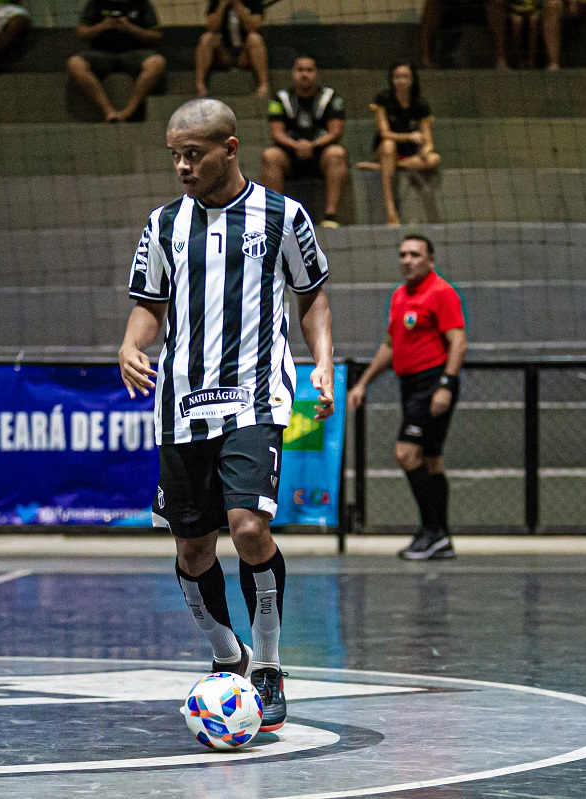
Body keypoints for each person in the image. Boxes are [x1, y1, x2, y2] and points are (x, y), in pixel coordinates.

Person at [119, 98, 335, 731]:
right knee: (192, 548)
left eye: (194, 154)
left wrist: (321, 363)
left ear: (230, 148)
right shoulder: (162, 226)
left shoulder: (283, 215)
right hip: (181, 404)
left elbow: (313, 296)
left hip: (256, 395)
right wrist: (130, 344)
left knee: (246, 528)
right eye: (175, 156)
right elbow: (147, 307)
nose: (183, 166)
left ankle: (266, 667)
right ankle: (226, 656)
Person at [347, 234, 467, 560]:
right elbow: (390, 345)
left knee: (406, 453)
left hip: (432, 383)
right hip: (410, 385)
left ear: (430, 260)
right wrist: (362, 384)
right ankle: (439, 536)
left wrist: (447, 384)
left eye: (415, 254)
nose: (407, 260)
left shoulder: (441, 293)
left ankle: (432, 532)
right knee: (430, 461)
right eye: (402, 254)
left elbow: (458, 342)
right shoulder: (400, 296)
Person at [260, 55, 348, 230]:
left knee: (337, 153)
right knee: (270, 155)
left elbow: (335, 131)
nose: (304, 74)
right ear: (293, 73)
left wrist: (312, 145)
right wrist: (297, 145)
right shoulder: (279, 99)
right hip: (290, 155)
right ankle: (277, 217)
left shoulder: (331, 98)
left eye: (309, 70)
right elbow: (276, 133)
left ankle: (330, 215)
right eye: (300, 70)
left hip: (319, 154)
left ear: (316, 73)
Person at [354, 62, 441, 228]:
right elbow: (384, 133)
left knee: (434, 158)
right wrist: (409, 136)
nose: (401, 81)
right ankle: (391, 211)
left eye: (405, 76)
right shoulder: (384, 100)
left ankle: (383, 167)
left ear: (413, 79)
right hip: (385, 150)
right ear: (392, 79)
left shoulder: (420, 104)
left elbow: (429, 141)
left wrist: (425, 150)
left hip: (409, 154)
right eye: (397, 77)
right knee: (388, 145)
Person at [67, 0, 166, 123]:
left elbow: (156, 36)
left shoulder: (143, 3)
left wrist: (130, 28)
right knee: (75, 63)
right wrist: (103, 26)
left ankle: (127, 112)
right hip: (100, 53)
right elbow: (81, 33)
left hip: (135, 52)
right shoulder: (95, 3)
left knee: (157, 62)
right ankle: (108, 111)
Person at [194, 0, 270, 99]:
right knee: (206, 38)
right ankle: (200, 86)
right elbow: (211, 28)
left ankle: (264, 85)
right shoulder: (217, 1)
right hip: (224, 54)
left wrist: (239, 7)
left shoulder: (253, 2)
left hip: (246, 53)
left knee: (255, 38)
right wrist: (222, 5)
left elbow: (253, 27)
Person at [419, 0, 508, 70]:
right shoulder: (438, 3)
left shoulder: (489, 3)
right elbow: (428, 23)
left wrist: (500, 57)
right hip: (449, 45)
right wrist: (426, 55)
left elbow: (497, 25)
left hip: (478, 45)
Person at [508, 0, 541, 69]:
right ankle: (519, 60)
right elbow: (507, 3)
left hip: (534, 10)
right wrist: (515, 8)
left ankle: (531, 60)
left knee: (534, 20)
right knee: (517, 22)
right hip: (514, 10)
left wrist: (533, 8)